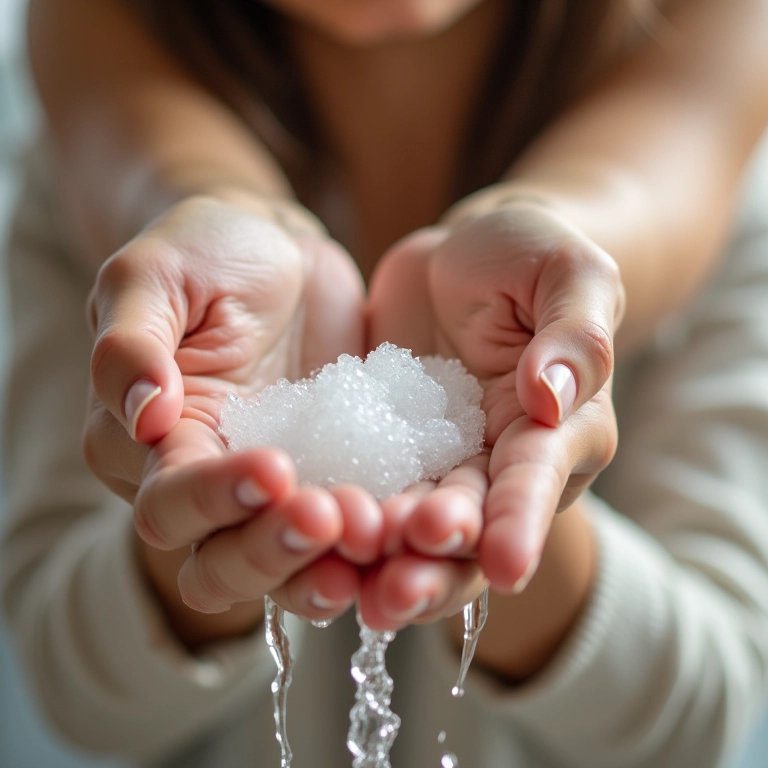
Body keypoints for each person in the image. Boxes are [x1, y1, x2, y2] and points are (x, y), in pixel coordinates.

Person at [2, 0, 768, 765]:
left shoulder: (732, 191)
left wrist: (525, 504)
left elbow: (700, 719)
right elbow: (78, 695)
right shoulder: (75, 188)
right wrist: (196, 518)